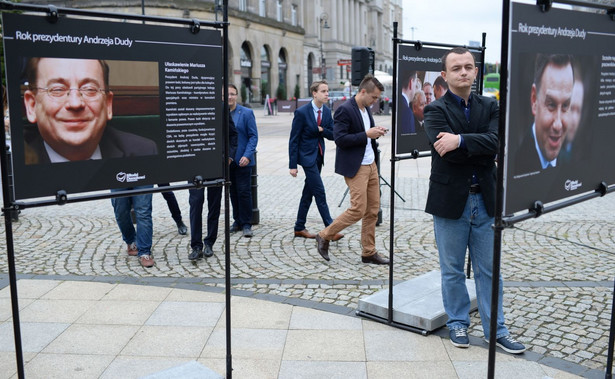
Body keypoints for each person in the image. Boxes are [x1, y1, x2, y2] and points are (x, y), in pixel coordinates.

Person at [423, 47, 525, 354]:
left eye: (468, 66)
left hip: (486, 199)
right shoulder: (434, 110)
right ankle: (457, 321)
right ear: (445, 75)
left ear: (476, 71)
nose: (463, 72)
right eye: (456, 68)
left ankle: (497, 329)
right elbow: (447, 153)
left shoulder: (490, 106)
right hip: (450, 201)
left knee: (490, 270)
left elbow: (497, 142)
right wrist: (476, 145)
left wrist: (461, 139)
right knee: (452, 268)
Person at [23, 57, 157, 164]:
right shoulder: (11, 161)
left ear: (107, 104)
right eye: (58, 90)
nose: (75, 103)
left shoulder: (142, 151)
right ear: (32, 105)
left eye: (90, 89)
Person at [315, 74, 389, 265]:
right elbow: (340, 139)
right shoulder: (344, 110)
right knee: (358, 209)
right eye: (373, 97)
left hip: (371, 164)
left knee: (373, 210)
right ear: (363, 91)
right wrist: (366, 134)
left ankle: (368, 252)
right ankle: (324, 235)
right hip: (356, 167)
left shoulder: (366, 109)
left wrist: (375, 132)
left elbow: (364, 135)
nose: (375, 102)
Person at [288, 80, 342, 241]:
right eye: (324, 91)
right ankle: (331, 229)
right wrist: (293, 165)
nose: (327, 94)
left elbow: (333, 134)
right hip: (306, 158)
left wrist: (322, 130)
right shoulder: (302, 112)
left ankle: (299, 227)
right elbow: (293, 140)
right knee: (319, 191)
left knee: (308, 192)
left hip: (319, 156)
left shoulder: (326, 111)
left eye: (327, 91)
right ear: (314, 93)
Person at [188, 107, 238, 261]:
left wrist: (229, 156)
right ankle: (196, 246)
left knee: (214, 205)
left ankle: (209, 242)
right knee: (196, 203)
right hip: (194, 162)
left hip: (216, 163)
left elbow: (232, 134)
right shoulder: (188, 105)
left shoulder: (220, 106)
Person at [514, 54, 574, 174]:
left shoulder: (570, 163)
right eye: (551, 105)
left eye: (565, 106)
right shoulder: (516, 165)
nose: (558, 125)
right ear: (534, 100)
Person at [228, 84, 258, 237]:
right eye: (226, 94)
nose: (229, 97)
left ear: (237, 96)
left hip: (243, 160)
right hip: (227, 162)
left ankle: (247, 223)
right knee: (232, 192)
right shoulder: (220, 113)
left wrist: (247, 155)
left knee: (244, 192)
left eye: (232, 94)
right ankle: (237, 221)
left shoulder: (246, 113)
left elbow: (253, 136)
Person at [111, 185, 155, 268]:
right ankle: (131, 240)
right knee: (121, 211)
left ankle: (144, 252)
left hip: (144, 175)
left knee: (144, 212)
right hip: (117, 175)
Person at [398, 69, 419, 134]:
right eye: (415, 85)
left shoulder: (398, 104)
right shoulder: (407, 112)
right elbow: (409, 142)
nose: (415, 90)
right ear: (411, 83)